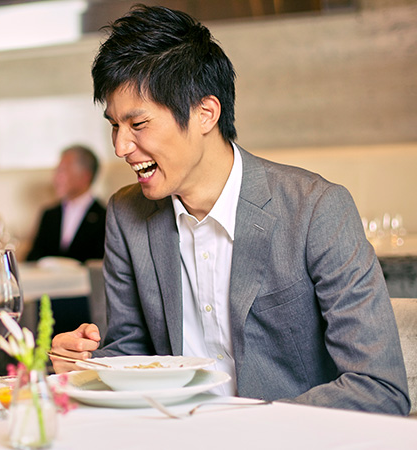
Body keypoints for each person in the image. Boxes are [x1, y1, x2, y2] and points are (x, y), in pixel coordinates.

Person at [50, 5, 410, 415]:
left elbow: (380, 388)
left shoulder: (315, 209)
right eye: (114, 125)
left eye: (138, 124)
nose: (120, 147)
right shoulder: (127, 215)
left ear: (206, 113)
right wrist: (86, 365)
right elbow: (131, 353)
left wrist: (246, 429)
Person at [26, 144, 106, 263]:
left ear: (85, 176)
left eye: (62, 171)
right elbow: (33, 259)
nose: (56, 178)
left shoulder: (106, 217)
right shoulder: (49, 215)